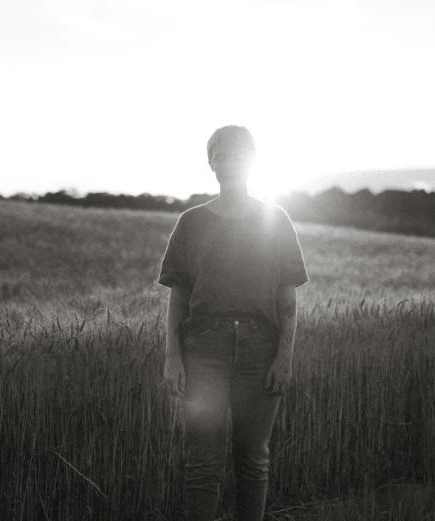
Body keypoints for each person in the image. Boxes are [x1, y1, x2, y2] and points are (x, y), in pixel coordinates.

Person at [157, 125, 309, 521]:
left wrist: (285, 355)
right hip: (204, 350)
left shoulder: (276, 219)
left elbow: (287, 295)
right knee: (202, 462)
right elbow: (179, 296)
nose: (228, 161)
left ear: (252, 161)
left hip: (262, 348)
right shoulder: (191, 222)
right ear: (211, 163)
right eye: (220, 154)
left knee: (254, 460)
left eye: (237, 154)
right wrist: (172, 356)